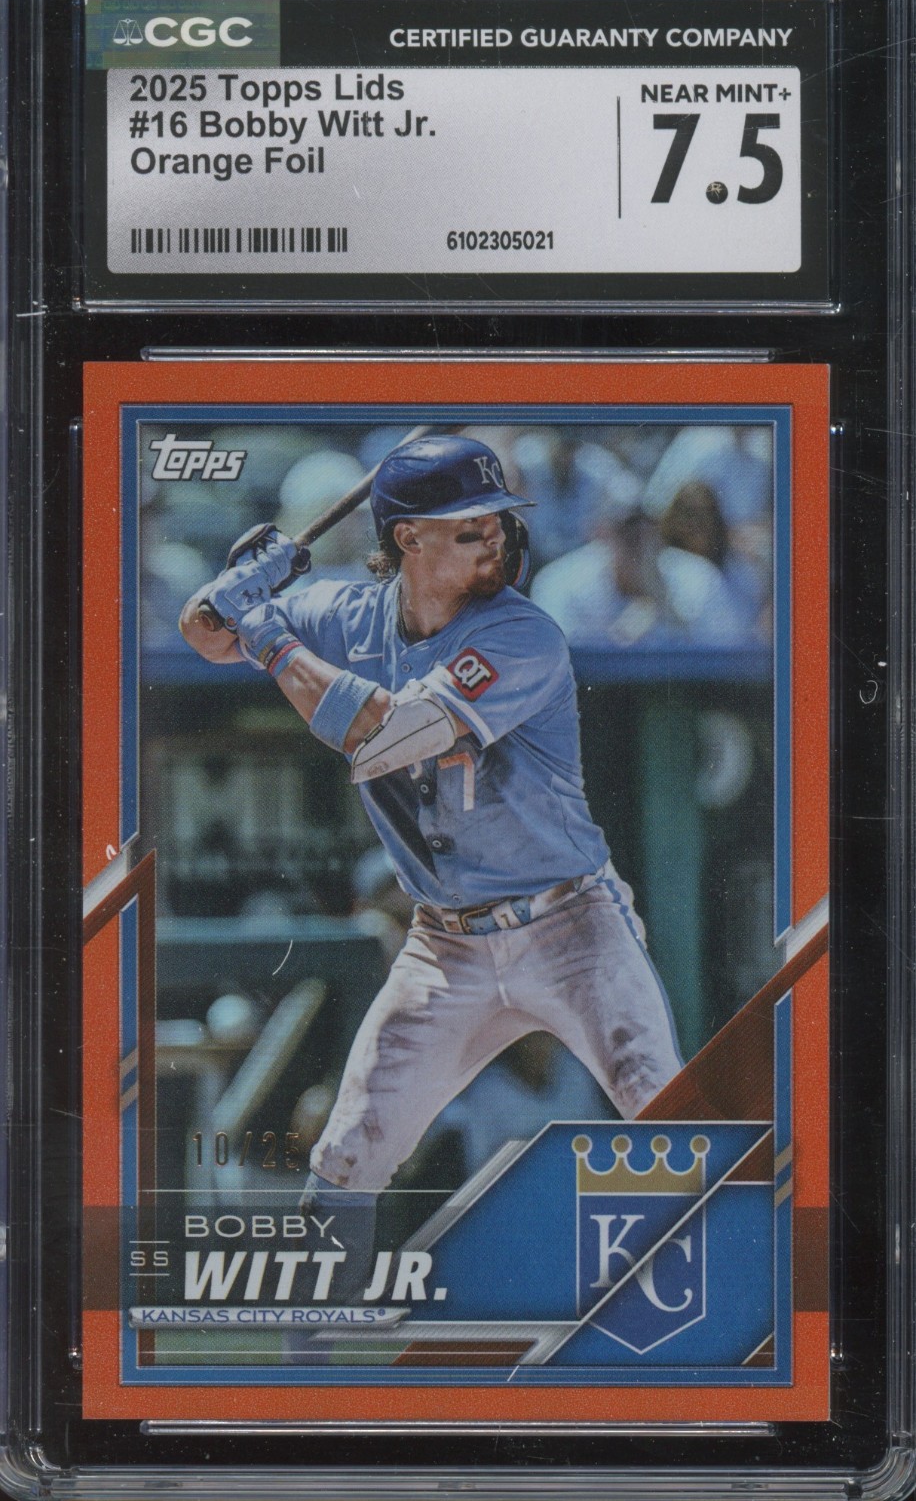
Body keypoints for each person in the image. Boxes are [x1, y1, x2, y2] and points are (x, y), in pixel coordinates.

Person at [179, 433, 683, 1298]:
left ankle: (729, 1335)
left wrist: (266, 633)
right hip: (444, 947)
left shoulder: (523, 633)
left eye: (498, 522)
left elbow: (387, 739)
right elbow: (206, 634)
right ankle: (307, 1362)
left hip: (572, 926)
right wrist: (235, 589)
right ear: (408, 538)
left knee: (668, 1119)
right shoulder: (346, 616)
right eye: (470, 527)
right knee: (345, 1157)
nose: (498, 539)